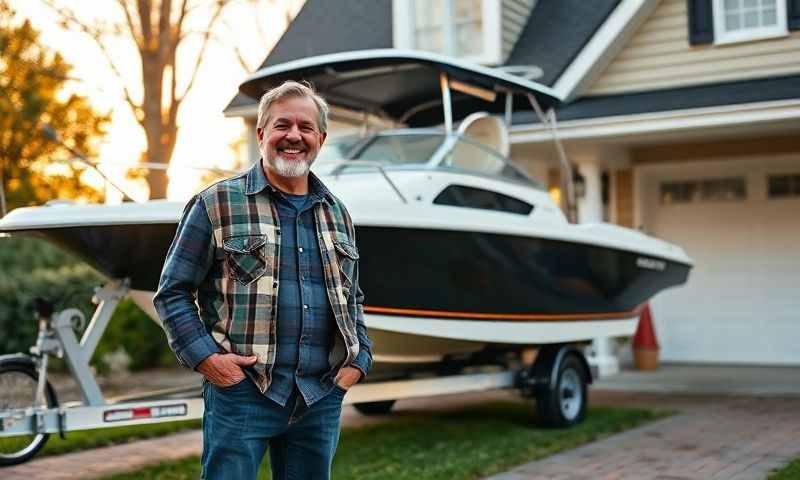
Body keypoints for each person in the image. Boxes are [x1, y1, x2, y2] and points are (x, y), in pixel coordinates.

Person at [154, 80, 372, 480]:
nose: (294, 136)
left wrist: (359, 360)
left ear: (321, 138)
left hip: (319, 396)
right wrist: (209, 361)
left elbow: (352, 296)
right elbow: (173, 293)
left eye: (305, 127)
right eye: (282, 125)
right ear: (261, 134)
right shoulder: (215, 204)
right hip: (243, 394)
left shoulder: (337, 213)